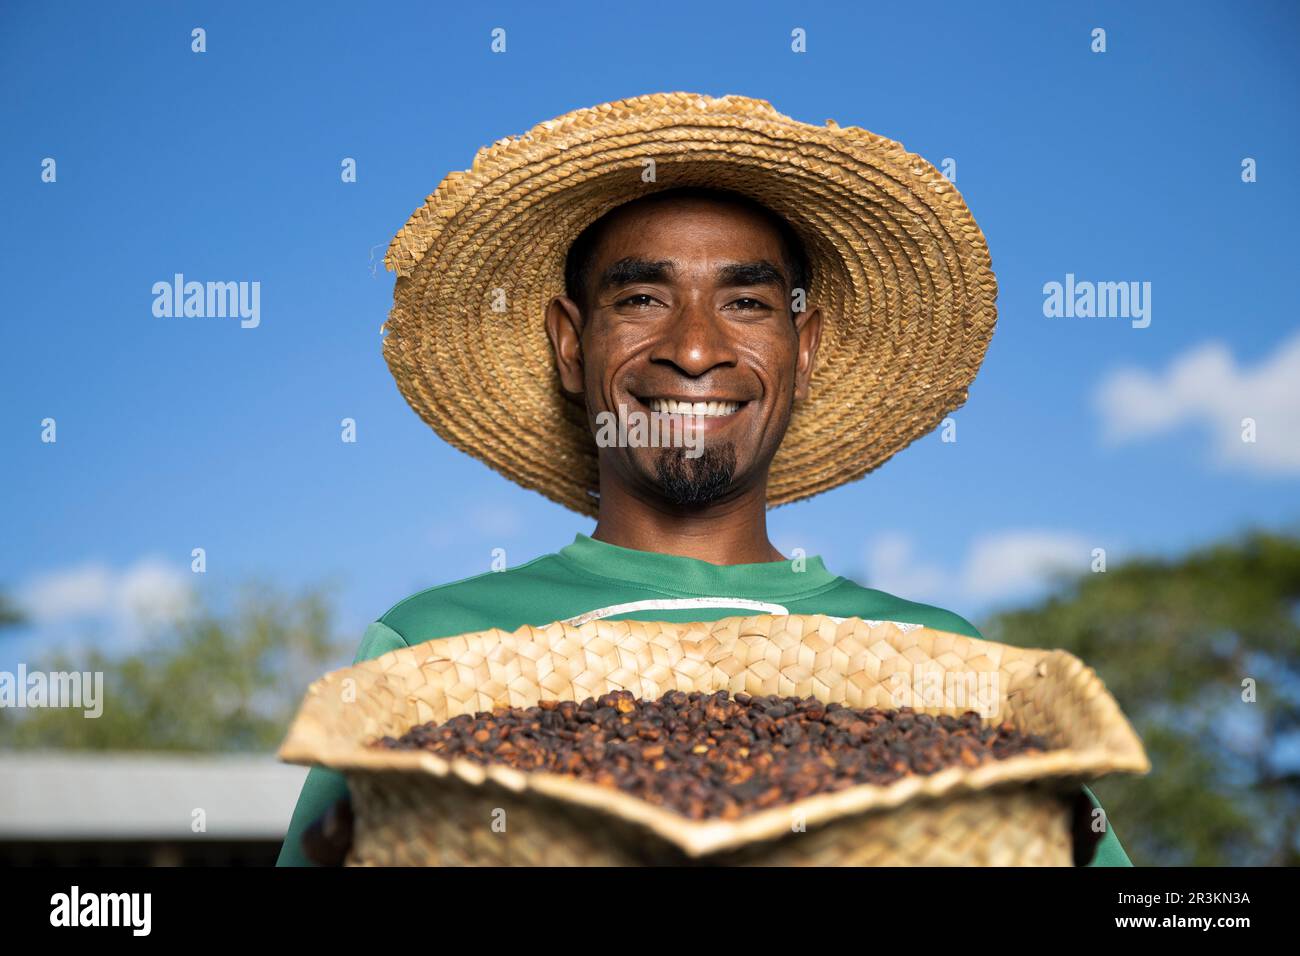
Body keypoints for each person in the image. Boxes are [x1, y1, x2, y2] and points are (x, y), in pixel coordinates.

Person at [277, 93, 1131, 867]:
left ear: (808, 350)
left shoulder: (946, 664)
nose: (693, 349)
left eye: (748, 304)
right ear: (572, 346)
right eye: (642, 299)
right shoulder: (429, 651)